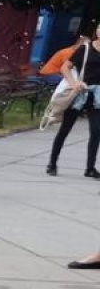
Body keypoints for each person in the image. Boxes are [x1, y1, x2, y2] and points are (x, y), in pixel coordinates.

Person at [46, 22, 100, 177]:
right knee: (65, 129)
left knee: (96, 131)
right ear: (97, 32)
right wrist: (74, 83)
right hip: (80, 93)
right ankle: (52, 163)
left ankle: (90, 168)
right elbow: (65, 67)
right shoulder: (85, 48)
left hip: (97, 95)